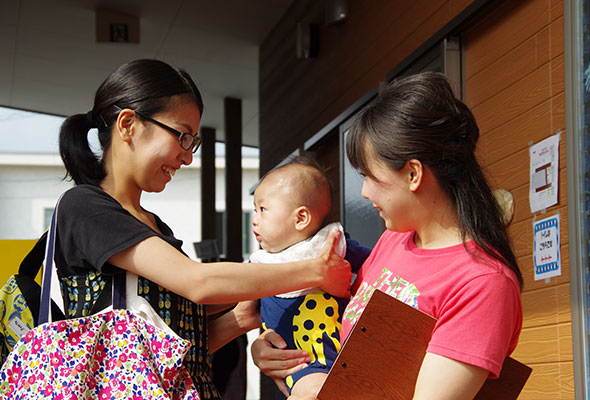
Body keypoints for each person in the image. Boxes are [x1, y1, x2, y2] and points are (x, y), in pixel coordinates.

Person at [55, 58, 352, 399]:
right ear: (128, 125)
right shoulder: (85, 207)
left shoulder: (155, 225)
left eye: (192, 142)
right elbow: (199, 282)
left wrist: (242, 318)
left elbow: (178, 351)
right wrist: (314, 270)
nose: (187, 157)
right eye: (182, 136)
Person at [251, 71, 523, 400]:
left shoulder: (483, 282)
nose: (364, 192)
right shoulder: (395, 242)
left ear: (412, 173)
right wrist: (276, 350)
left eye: (370, 176)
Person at [250, 157, 351, 399]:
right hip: (302, 363)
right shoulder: (260, 263)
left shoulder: (332, 244)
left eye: (262, 210)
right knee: (313, 392)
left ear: (301, 218)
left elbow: (379, 264)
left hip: (345, 355)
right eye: (255, 210)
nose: (254, 219)